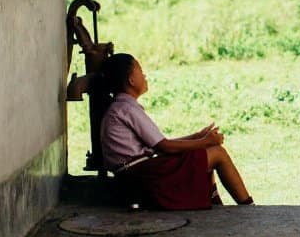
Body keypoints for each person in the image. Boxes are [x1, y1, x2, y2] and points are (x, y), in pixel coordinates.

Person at [98, 52, 253, 210]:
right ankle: (249, 207)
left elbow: (159, 144)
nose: (144, 75)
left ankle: (216, 204)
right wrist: (206, 141)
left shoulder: (121, 107)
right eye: (140, 70)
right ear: (131, 80)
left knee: (202, 155)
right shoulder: (127, 108)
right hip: (142, 176)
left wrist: (197, 138)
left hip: (135, 175)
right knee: (217, 153)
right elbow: (164, 147)